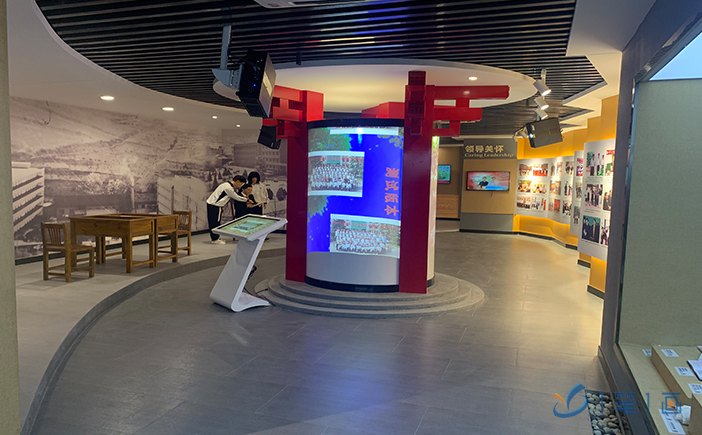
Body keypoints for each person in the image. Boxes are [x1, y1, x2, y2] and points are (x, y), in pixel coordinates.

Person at [206, 175, 251, 244]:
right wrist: (247, 200)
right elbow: (236, 197)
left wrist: (222, 206)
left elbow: (221, 197)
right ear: (237, 181)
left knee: (215, 222)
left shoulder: (225, 185)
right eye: (241, 183)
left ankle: (216, 237)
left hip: (215, 205)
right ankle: (215, 239)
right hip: (214, 206)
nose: (241, 185)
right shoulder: (228, 188)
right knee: (214, 222)